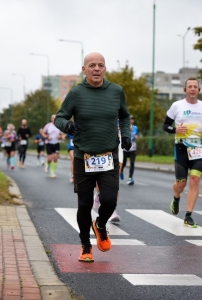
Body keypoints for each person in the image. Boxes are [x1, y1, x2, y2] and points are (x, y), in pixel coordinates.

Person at [54, 52, 131, 263]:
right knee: (84, 204)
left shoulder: (116, 91)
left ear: (105, 69)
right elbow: (60, 117)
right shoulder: (77, 93)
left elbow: (124, 117)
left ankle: (100, 225)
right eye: (92, 65)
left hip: (108, 156)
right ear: (84, 69)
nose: (96, 69)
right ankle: (85, 245)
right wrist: (67, 125)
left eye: (101, 65)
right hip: (83, 156)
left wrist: (125, 135)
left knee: (108, 199)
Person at [163, 77, 202, 228]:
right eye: (189, 86)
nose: (192, 89)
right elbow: (165, 125)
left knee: (195, 180)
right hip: (181, 148)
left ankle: (188, 215)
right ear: (185, 90)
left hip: (198, 148)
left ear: (199, 90)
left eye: (195, 86)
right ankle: (176, 196)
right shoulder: (177, 105)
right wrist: (175, 129)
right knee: (181, 183)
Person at [121, 115, 139, 185]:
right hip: (125, 149)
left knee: (132, 163)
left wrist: (136, 136)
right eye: (130, 119)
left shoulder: (135, 128)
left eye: (132, 119)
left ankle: (130, 178)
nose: (131, 120)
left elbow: (137, 135)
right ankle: (121, 171)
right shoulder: (124, 127)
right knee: (124, 163)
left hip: (133, 148)